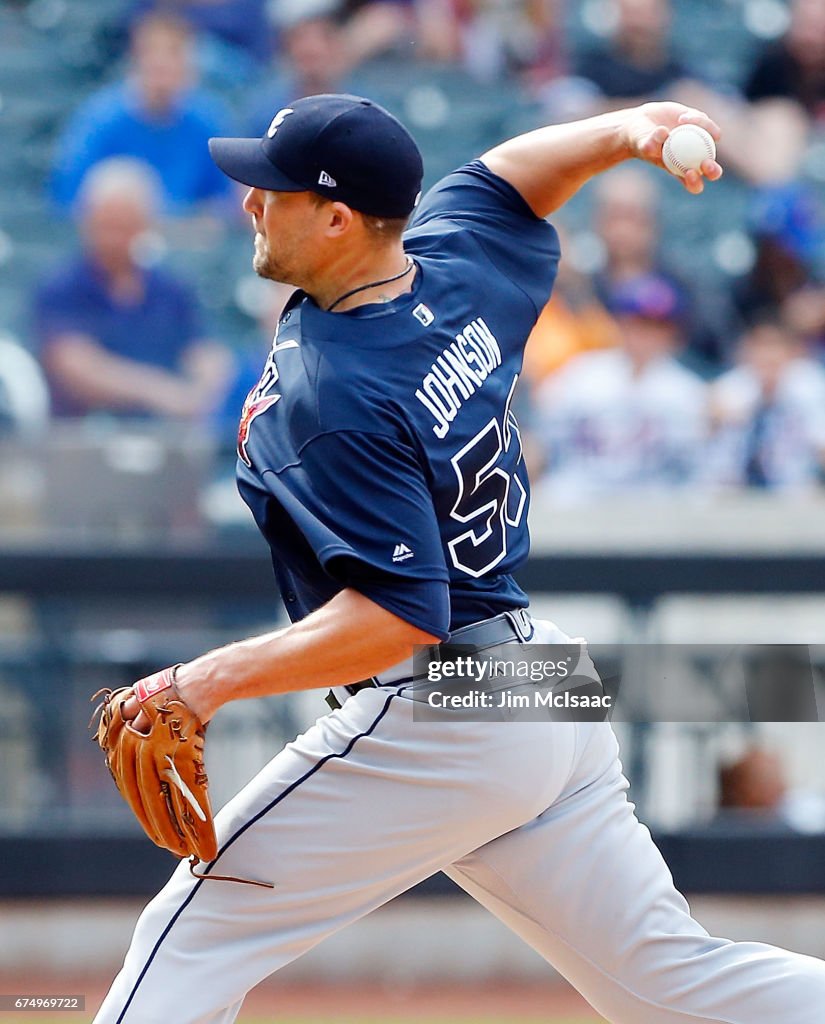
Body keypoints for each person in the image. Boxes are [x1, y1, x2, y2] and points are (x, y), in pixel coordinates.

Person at [92, 94, 825, 1024]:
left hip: (443, 704)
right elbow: (510, 178)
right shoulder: (451, 260)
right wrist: (622, 132)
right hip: (537, 681)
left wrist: (202, 681)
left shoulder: (331, 390)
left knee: (190, 935)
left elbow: (399, 616)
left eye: (271, 190)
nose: (249, 204)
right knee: (671, 981)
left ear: (336, 218)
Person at [34, 158, 233, 421]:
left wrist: (205, 385)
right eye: (106, 226)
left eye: (125, 227)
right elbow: (75, 365)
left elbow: (204, 350)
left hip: (165, 437)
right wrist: (160, 391)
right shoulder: (61, 287)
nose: (114, 239)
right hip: (83, 438)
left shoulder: (170, 289)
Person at [533, 272, 707, 500]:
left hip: (656, 508)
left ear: (673, 333)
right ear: (619, 324)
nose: (643, 335)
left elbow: (694, 469)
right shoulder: (581, 373)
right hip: (579, 498)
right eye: (636, 324)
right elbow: (543, 438)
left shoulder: (688, 391)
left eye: (655, 326)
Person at [50, 12, 231, 214]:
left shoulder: (208, 121)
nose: (162, 64)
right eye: (152, 52)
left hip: (188, 239)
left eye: (174, 53)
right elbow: (70, 196)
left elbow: (226, 197)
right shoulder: (100, 120)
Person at [706, 317, 825, 491]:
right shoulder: (729, 387)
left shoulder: (812, 387)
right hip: (731, 492)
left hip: (795, 492)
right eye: (760, 346)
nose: (768, 354)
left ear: (793, 351)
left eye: (775, 346)